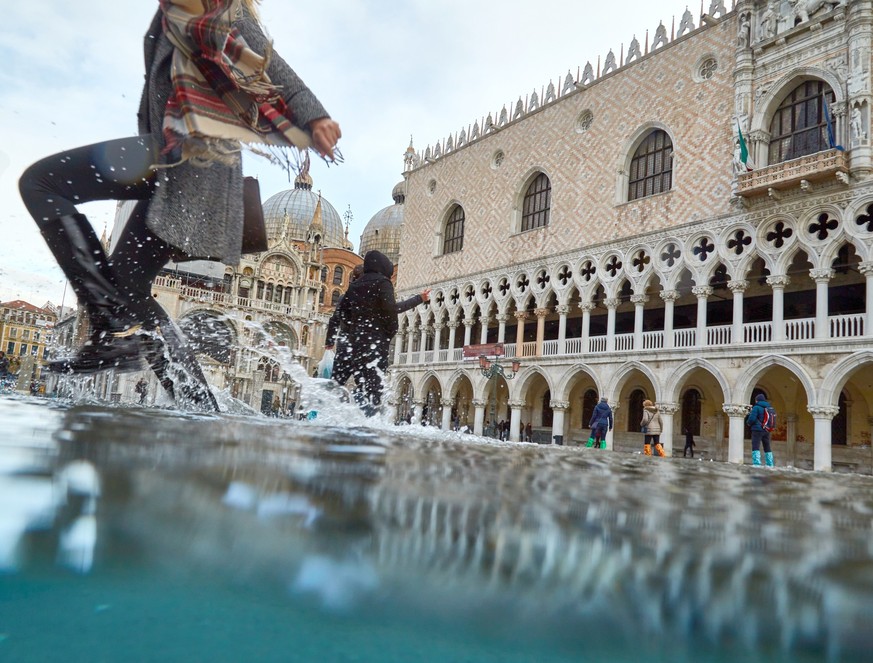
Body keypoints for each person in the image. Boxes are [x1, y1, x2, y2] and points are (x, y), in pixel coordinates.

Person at [18, 0, 341, 413]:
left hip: (189, 162)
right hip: (174, 165)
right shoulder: (174, 12)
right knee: (130, 290)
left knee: (41, 182)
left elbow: (272, 68)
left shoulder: (219, 9)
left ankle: (111, 326)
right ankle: (199, 406)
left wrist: (315, 118)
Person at [331, 250, 430, 415]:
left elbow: (342, 312)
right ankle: (368, 427)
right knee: (374, 391)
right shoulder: (383, 283)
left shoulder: (355, 285)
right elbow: (392, 310)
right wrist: (389, 332)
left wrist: (352, 331)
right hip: (375, 345)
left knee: (361, 382)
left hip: (356, 345)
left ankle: (353, 419)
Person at [324, 263, 364, 385]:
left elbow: (334, 320)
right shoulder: (368, 298)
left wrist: (329, 342)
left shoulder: (344, 297)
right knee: (364, 387)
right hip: (361, 346)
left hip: (344, 344)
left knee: (336, 383)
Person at [747, 393, 775, 467]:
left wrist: (748, 423)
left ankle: (756, 463)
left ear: (757, 400)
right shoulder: (769, 408)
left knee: (756, 445)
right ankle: (770, 463)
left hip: (757, 430)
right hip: (766, 429)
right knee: (767, 446)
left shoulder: (756, 408)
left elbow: (752, 419)